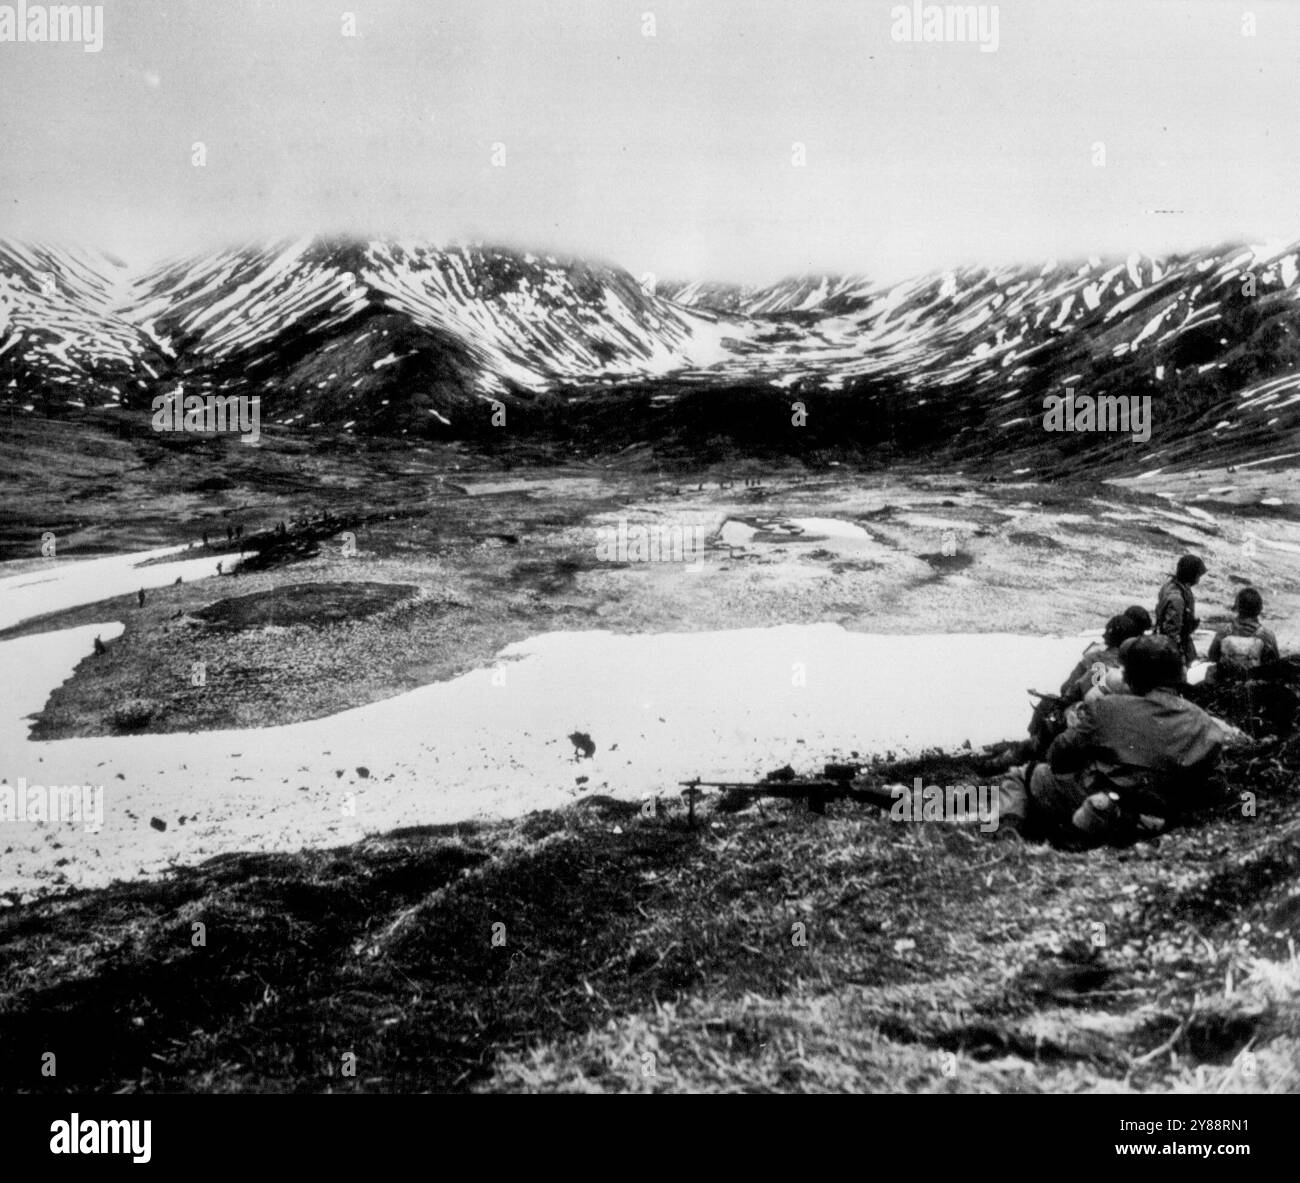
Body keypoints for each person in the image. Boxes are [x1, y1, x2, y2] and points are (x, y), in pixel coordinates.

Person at [1000, 636, 1228, 845]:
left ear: (1131, 676)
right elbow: (1216, 788)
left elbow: (1058, 755)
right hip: (1165, 816)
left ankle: (1006, 836)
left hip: (1104, 804)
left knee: (1021, 774)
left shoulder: (1108, 706)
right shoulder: (1205, 722)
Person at [1026, 613, 1142, 758]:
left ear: (1110, 635)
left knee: (1046, 704)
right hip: (1123, 727)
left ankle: (1036, 750)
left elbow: (1067, 689)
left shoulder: (1095, 659)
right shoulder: (1135, 665)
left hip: (1086, 721)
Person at [1208, 588, 1280, 675]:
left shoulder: (1224, 632)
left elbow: (1212, 657)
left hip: (1225, 683)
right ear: (1260, 609)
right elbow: (1275, 664)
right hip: (1253, 684)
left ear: (1237, 607)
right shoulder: (1267, 635)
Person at [1154, 554, 1206, 665]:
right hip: (1175, 645)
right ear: (1192, 576)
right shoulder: (1177, 598)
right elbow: (1172, 632)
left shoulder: (1170, 586)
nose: (1199, 580)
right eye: (1198, 576)